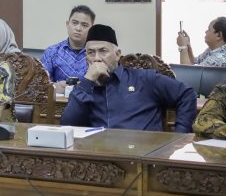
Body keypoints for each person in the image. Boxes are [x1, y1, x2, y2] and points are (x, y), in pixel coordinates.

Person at [60, 24, 197, 132]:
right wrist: (88, 81)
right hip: (99, 158)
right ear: (86, 58)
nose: (97, 58)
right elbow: (67, 126)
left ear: (117, 54)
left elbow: (187, 94)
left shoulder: (144, 79)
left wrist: (179, 137)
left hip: (141, 158)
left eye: (103, 51)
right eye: (91, 53)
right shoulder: (84, 88)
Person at [41, 5, 95, 93]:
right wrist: (54, 87)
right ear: (67, 24)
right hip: (57, 104)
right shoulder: (52, 52)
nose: (78, 28)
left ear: (92, 29)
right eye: (74, 23)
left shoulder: (96, 55)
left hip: (88, 104)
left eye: (84, 25)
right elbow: (40, 85)